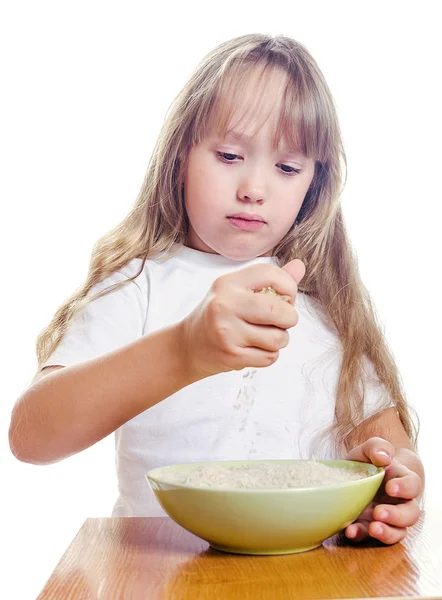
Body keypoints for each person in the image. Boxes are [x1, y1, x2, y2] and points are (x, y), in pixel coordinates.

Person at [9, 33, 424, 545]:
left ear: (314, 185)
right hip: (159, 574)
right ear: (181, 155)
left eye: (288, 167)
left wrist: (393, 487)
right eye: (229, 155)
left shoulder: (326, 305)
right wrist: (184, 350)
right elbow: (32, 436)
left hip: (312, 575)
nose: (254, 187)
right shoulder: (139, 285)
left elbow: (389, 448)